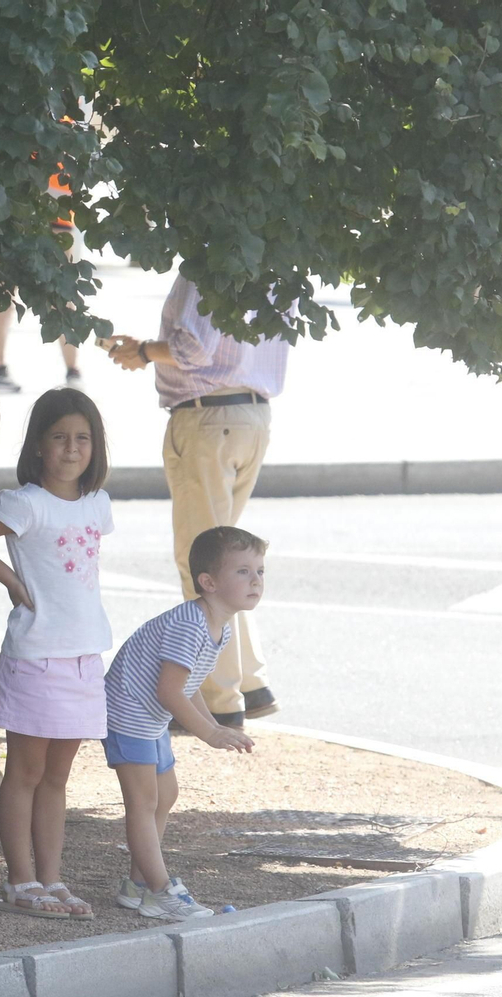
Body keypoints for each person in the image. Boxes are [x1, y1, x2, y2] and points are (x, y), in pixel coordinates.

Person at [0, 388, 114, 920]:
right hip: (36, 656)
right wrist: (11, 580)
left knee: (57, 778)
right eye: (59, 437)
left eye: (82, 438)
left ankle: (52, 878)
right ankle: (20, 880)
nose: (72, 448)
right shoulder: (25, 502)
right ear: (38, 445)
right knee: (25, 771)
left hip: (84, 658)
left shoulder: (98, 503)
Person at [104, 274, 289, 726]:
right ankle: (250, 682)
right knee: (227, 558)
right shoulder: (277, 257)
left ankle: (220, 700)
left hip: (208, 415)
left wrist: (144, 351)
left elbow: (193, 350)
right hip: (252, 414)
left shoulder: (206, 260)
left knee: (205, 565)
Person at [104, 526, 262, 920]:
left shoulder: (220, 626)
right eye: (243, 571)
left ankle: (138, 885)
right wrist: (209, 732)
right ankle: (161, 891)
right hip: (129, 713)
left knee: (165, 795)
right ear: (208, 582)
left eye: (260, 570)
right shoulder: (190, 624)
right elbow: (169, 691)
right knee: (143, 802)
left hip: (150, 718)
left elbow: (187, 687)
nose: (256, 580)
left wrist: (216, 726)